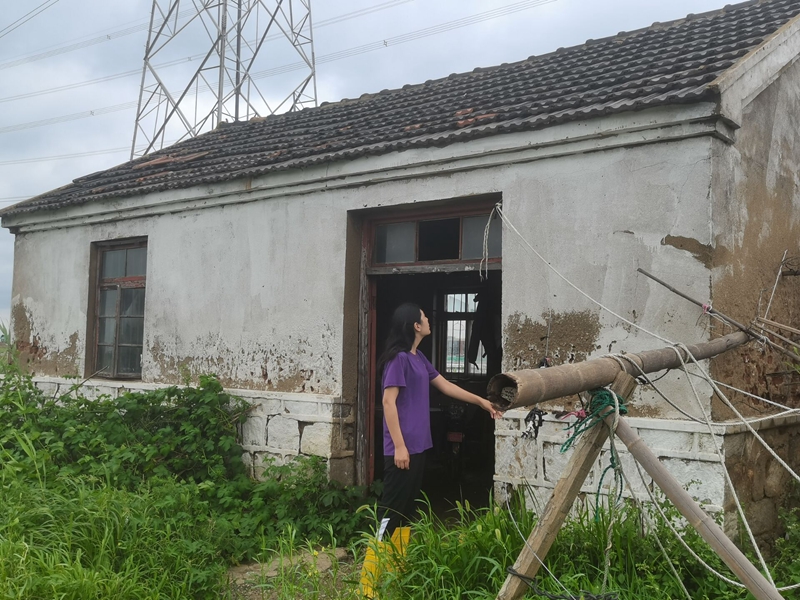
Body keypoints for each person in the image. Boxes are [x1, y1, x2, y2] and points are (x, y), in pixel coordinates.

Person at [375, 302, 501, 541]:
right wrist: (399, 446)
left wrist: (482, 402)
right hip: (402, 448)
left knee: (407, 509)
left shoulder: (419, 357)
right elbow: (388, 402)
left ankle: (396, 561)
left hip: (418, 445)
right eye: (424, 317)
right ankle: (373, 563)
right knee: (391, 509)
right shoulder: (398, 360)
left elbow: (445, 386)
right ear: (416, 325)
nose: (428, 320)